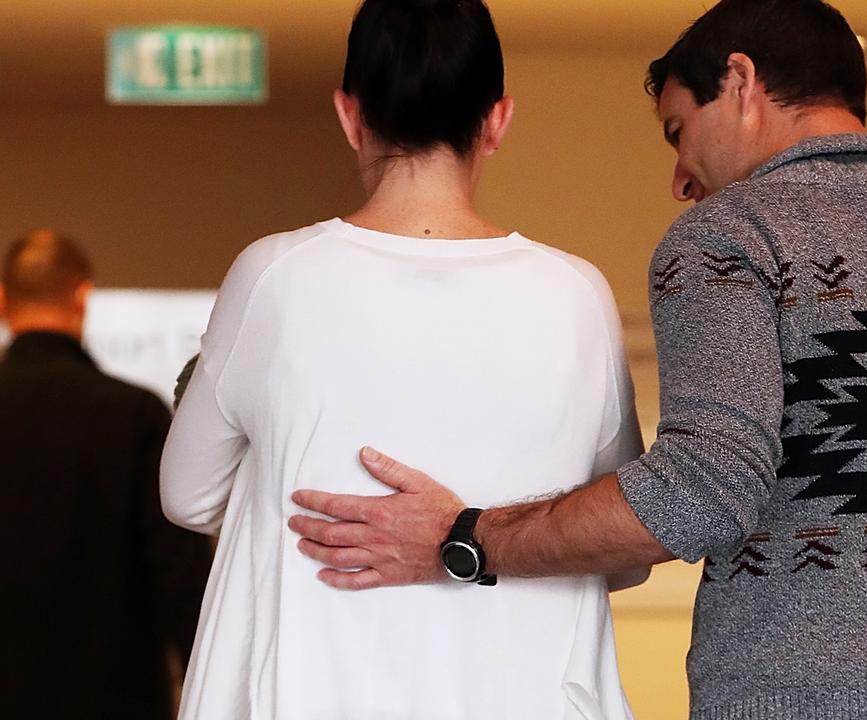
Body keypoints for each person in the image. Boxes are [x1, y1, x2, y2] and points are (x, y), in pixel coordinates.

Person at [288, 0, 867, 718]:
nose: (679, 179)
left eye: (679, 131)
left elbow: (702, 489)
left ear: (741, 81)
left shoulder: (731, 236)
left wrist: (464, 539)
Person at [159, 1, 646, 718]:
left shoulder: (276, 276)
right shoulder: (576, 294)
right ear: (499, 119)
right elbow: (622, 547)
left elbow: (187, 495)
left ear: (349, 115)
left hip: (316, 691)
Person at [0, 230, 210, 720]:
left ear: (4, 300)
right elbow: (181, 577)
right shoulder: (134, 415)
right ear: (82, 296)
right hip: (113, 697)